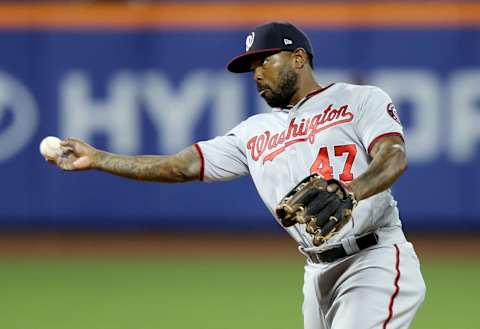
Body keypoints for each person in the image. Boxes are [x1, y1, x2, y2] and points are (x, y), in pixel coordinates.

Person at [51, 21, 425, 329]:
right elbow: (182, 166)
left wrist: (351, 192)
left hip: (372, 257)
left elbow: (393, 156)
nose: (256, 73)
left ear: (298, 58)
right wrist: (100, 158)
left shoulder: (358, 99)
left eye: (264, 61)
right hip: (316, 273)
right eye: (252, 67)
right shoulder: (254, 131)